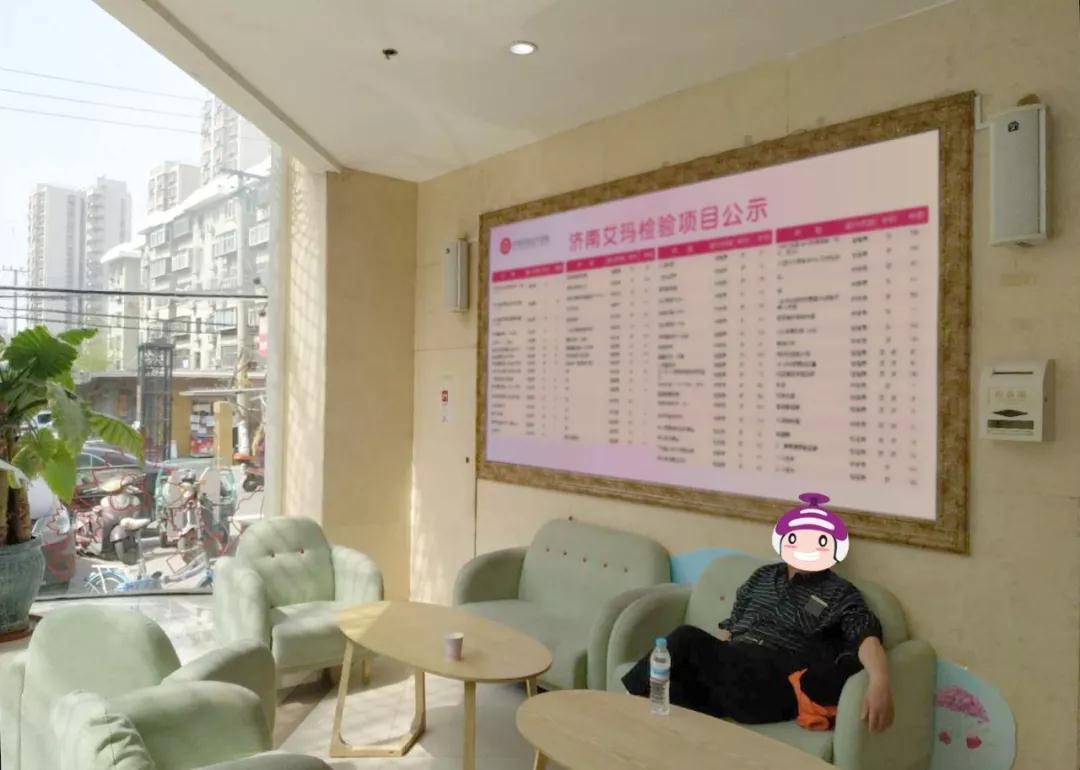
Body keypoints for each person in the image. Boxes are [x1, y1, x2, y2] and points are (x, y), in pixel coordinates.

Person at [622, 493, 894, 732]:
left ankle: (623, 705)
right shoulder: (762, 577)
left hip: (777, 678)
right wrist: (712, 658)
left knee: (685, 638)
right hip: (737, 671)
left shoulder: (838, 592)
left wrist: (880, 681)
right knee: (672, 688)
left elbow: (866, 637)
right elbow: (732, 631)